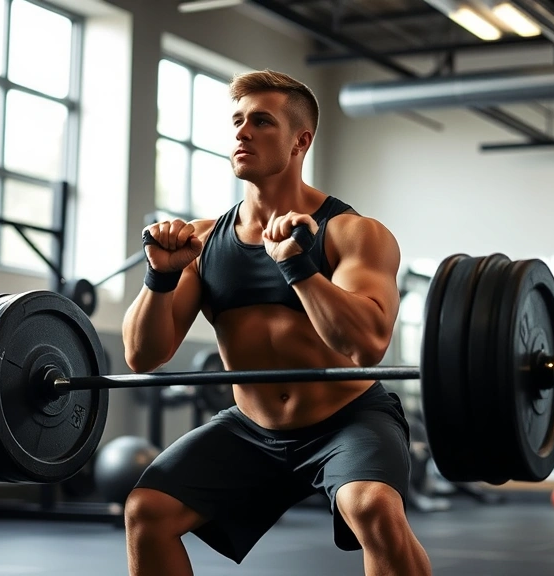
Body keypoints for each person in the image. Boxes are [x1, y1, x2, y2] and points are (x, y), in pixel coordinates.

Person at [120, 69, 432, 576]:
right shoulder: (202, 244)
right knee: (147, 510)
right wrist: (158, 278)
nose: (242, 132)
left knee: (372, 507)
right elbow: (143, 356)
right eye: (237, 121)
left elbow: (368, 345)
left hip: (347, 420)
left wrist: (297, 266)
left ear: (300, 141)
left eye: (261, 122)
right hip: (253, 428)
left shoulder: (353, 233)